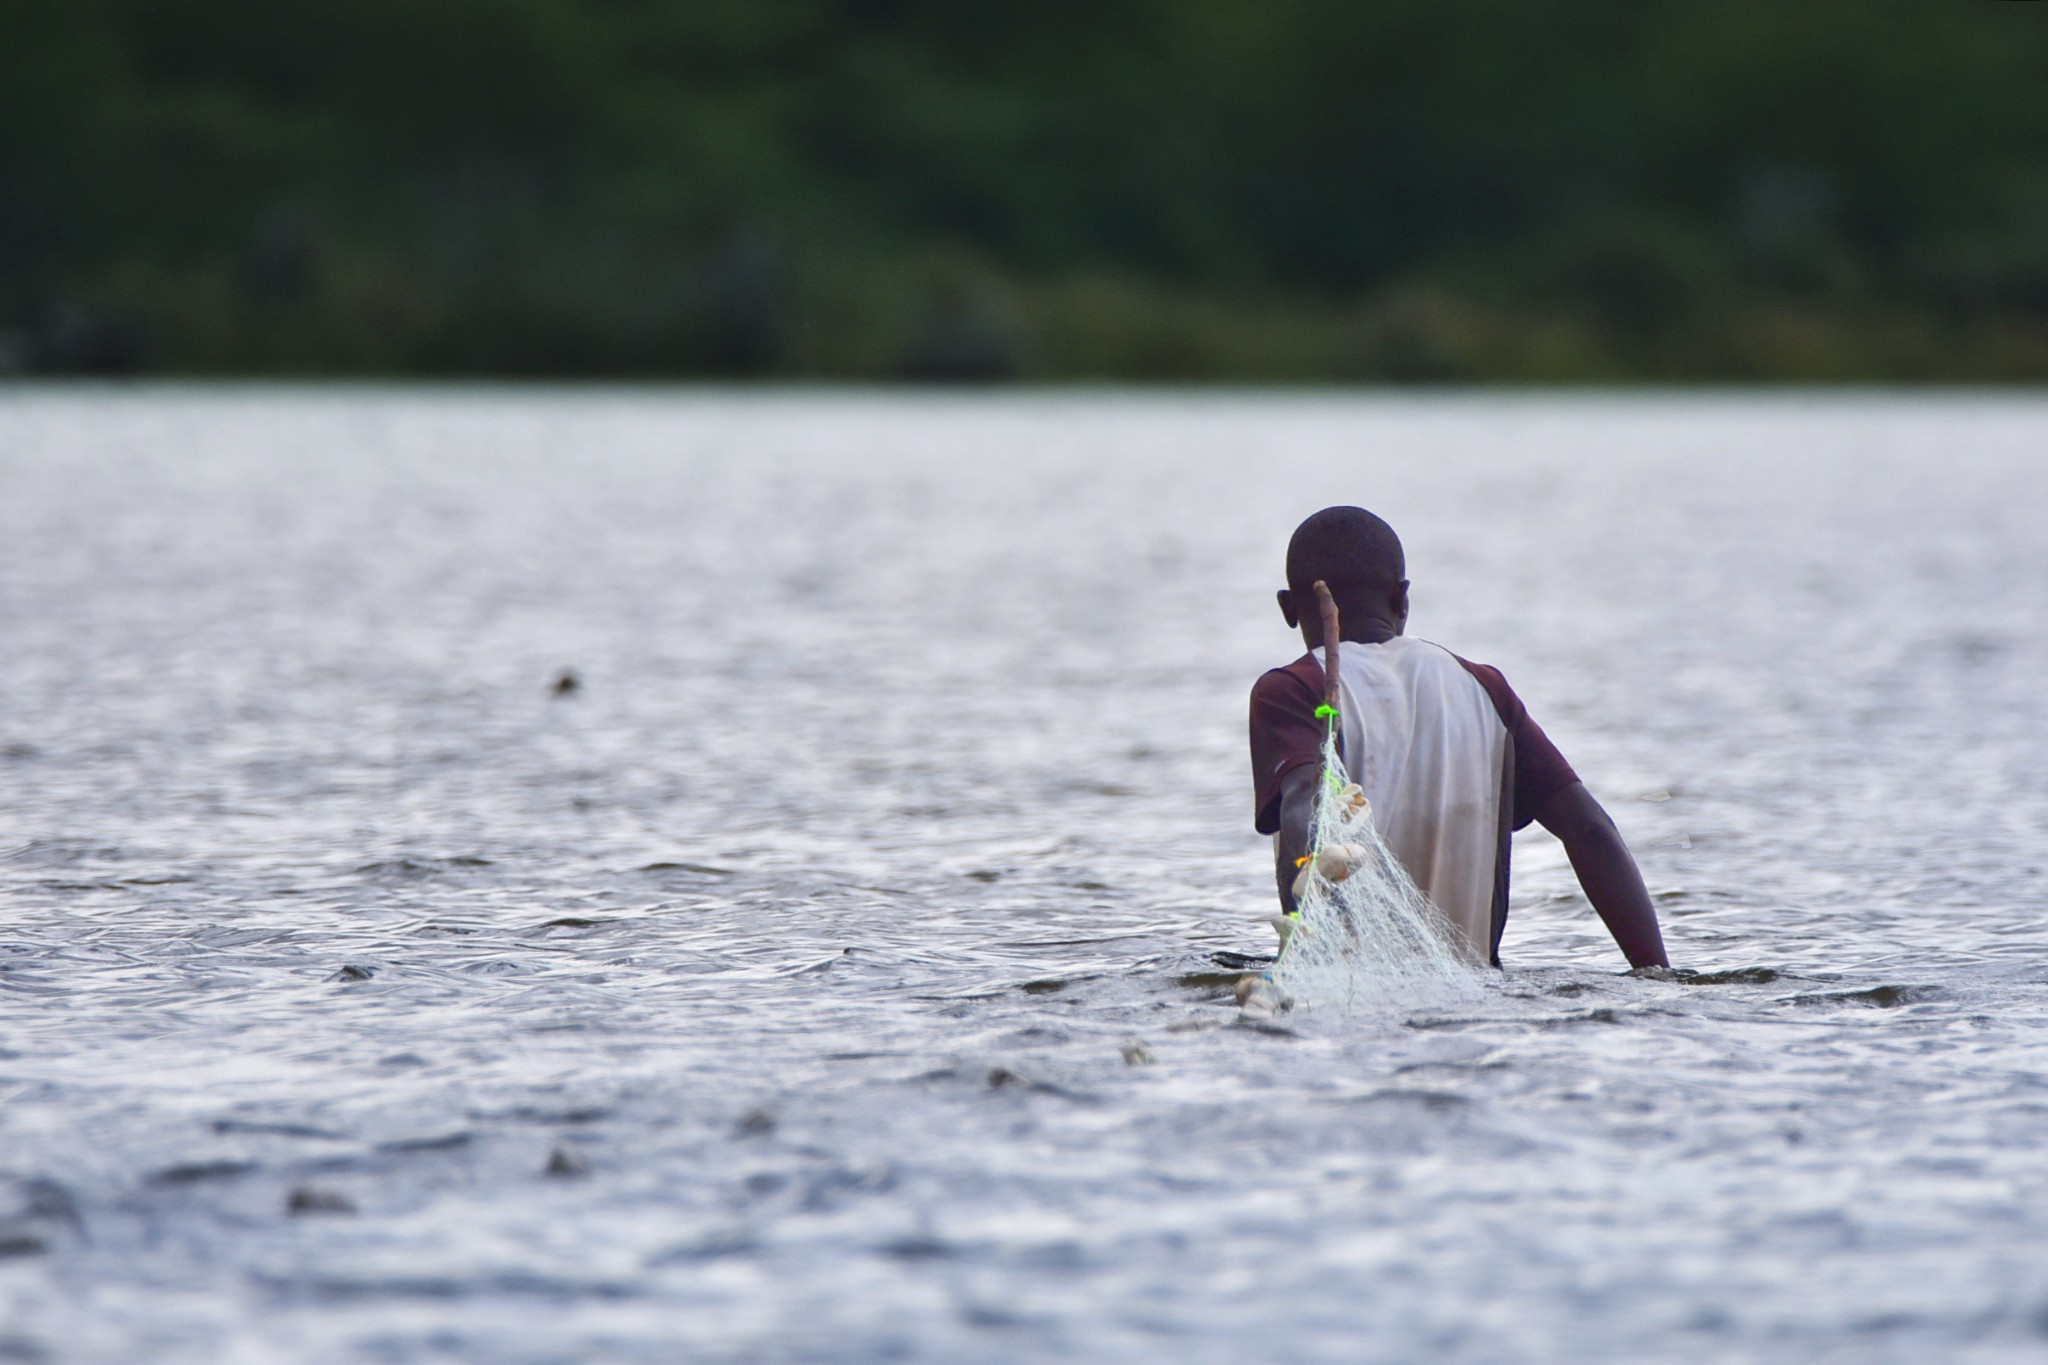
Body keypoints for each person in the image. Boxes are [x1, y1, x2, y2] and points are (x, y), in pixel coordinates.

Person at [1249, 506, 1668, 969]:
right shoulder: (1483, 688)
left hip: (1350, 995)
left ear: (1289, 608)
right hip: (1477, 1005)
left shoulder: (1293, 690)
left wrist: (1304, 955)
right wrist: (1658, 974)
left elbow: (1303, 811)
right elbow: (1589, 829)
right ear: (1402, 599)